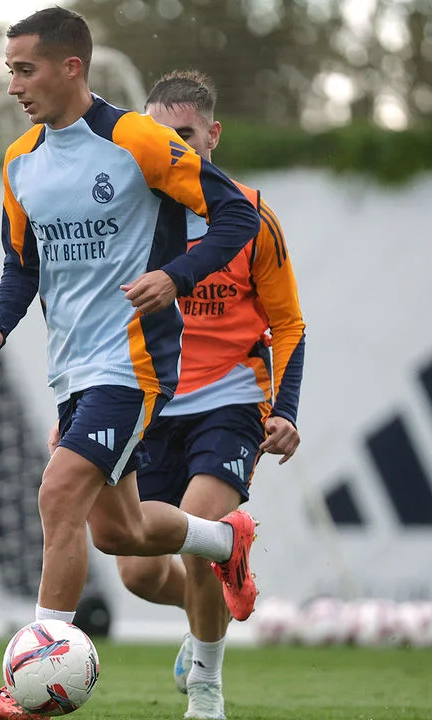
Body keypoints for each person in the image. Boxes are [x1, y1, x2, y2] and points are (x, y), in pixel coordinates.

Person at [0, 9, 262, 719]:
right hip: (72, 370)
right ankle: (224, 540)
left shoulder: (136, 139)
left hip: (133, 362)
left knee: (58, 491)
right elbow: (21, 264)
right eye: (9, 71)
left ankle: (31, 680)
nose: (14, 86)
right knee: (118, 533)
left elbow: (236, 217)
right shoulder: (20, 162)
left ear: (72, 67)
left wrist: (177, 277)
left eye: (25, 69)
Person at [102, 70, 305, 719]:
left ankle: (206, 694)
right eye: (160, 137)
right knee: (135, 567)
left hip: (229, 402)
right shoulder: (128, 217)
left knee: (197, 532)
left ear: (212, 136)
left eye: (184, 136)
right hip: (152, 404)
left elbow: (288, 324)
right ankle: (211, 604)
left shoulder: (249, 213)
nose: (174, 150)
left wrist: (285, 413)